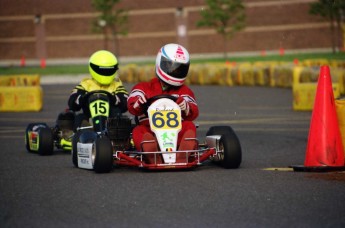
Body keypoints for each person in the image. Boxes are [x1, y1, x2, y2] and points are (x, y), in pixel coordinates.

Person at [127, 43, 199, 162]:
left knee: (189, 126)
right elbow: (132, 104)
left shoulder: (184, 91)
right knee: (138, 131)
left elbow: (193, 112)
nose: (175, 72)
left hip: (176, 132)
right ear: (160, 63)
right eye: (171, 67)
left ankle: (183, 153)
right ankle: (151, 151)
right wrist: (138, 103)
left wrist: (186, 107)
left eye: (179, 69)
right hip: (149, 129)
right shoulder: (145, 87)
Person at [67, 50, 128, 129]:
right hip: (89, 117)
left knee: (118, 115)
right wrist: (82, 98)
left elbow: (125, 103)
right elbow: (72, 103)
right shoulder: (86, 84)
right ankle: (81, 133)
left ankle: (118, 136)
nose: (106, 73)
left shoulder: (116, 84)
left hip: (111, 119)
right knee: (77, 117)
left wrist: (113, 99)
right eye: (103, 70)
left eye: (109, 70)